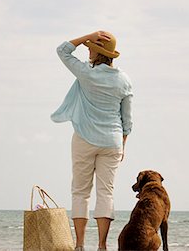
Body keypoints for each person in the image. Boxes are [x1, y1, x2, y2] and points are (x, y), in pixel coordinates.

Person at [51, 31, 133, 251]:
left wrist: (88, 35)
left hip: (84, 139)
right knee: (106, 192)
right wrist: (122, 145)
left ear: (98, 51)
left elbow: (62, 50)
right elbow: (128, 120)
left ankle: (79, 246)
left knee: (80, 191)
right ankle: (102, 246)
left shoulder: (85, 73)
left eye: (90, 47)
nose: (87, 50)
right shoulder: (124, 80)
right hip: (113, 141)